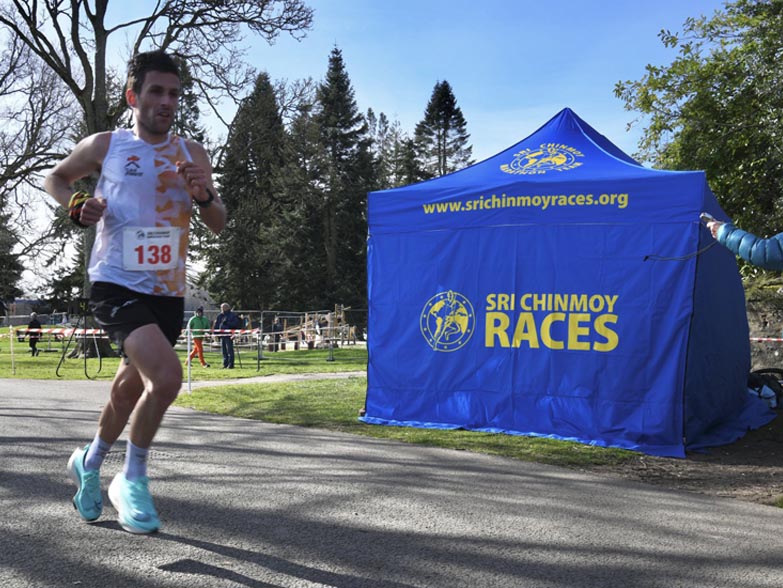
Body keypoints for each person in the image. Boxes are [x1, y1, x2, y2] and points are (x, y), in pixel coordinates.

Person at [43, 50, 226, 534]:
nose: (167, 102)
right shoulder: (108, 145)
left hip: (167, 289)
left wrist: (204, 194)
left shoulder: (193, 154)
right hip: (114, 281)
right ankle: (133, 477)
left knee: (129, 390)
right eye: (157, 92)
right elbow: (55, 178)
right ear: (133, 96)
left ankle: (90, 459)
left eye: (174, 94)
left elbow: (219, 222)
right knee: (165, 378)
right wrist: (77, 203)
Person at [214, 303, 240, 368]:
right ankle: (225, 364)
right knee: (224, 351)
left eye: (223, 307)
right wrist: (216, 332)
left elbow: (235, 324)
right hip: (222, 335)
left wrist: (227, 323)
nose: (221, 309)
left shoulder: (232, 315)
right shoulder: (220, 315)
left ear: (227, 308)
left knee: (230, 350)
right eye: (221, 308)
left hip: (229, 335)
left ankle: (231, 364)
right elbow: (217, 324)